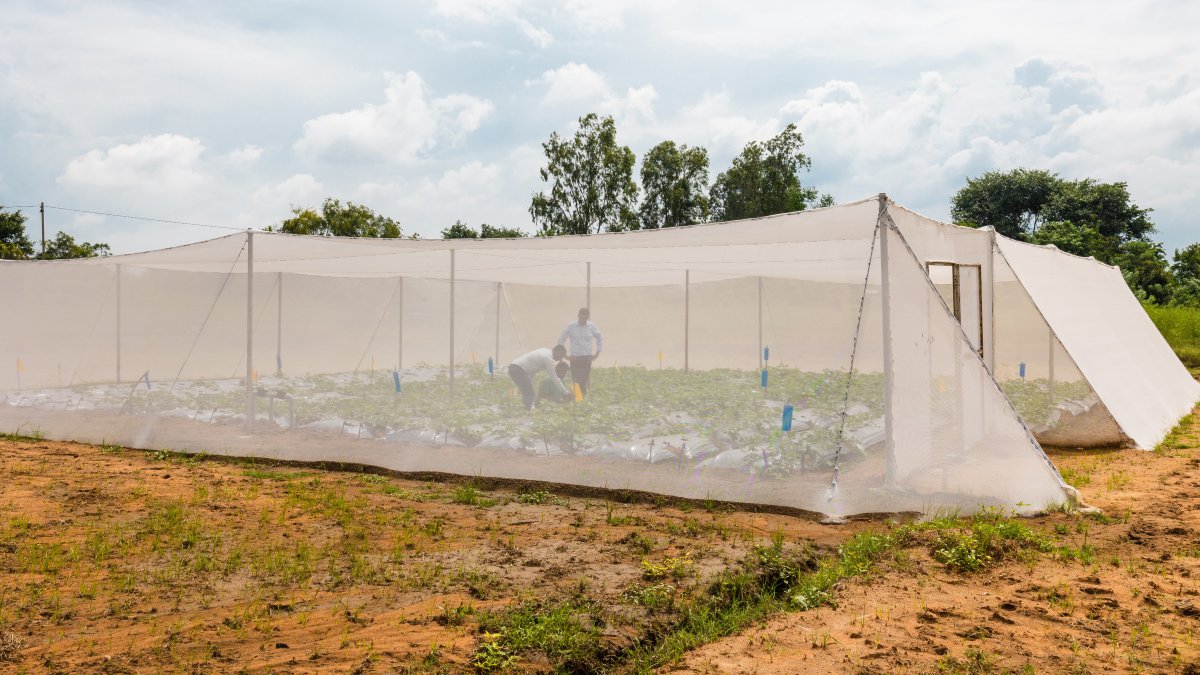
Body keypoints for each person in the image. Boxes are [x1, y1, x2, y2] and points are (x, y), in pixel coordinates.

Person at [557, 307, 603, 397]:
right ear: (578, 316)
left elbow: (599, 337)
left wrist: (597, 352)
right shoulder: (571, 326)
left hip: (587, 358)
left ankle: (581, 399)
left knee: (584, 380)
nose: (583, 320)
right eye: (582, 318)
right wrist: (565, 355)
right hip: (575, 358)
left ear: (587, 317)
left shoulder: (591, 326)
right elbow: (561, 340)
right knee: (576, 380)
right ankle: (577, 399)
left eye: (585, 318)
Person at [508, 345, 570, 410]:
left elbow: (531, 371)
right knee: (529, 392)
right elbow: (554, 378)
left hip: (515, 367)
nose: (560, 359)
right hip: (517, 369)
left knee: (527, 390)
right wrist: (566, 393)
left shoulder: (545, 351)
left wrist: (530, 383)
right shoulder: (547, 358)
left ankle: (527, 408)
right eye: (561, 355)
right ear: (557, 352)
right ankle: (529, 411)